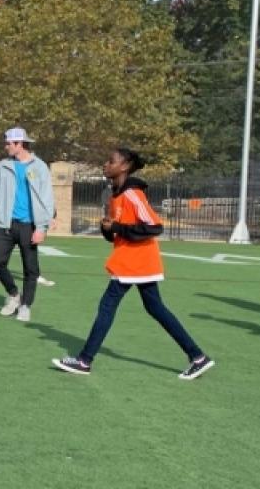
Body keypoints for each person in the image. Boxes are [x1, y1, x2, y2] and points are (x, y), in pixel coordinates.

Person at [52, 148, 214, 380]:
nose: (105, 165)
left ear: (124, 167)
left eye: (111, 161)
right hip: (132, 261)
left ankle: (84, 360)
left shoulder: (132, 194)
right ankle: (198, 357)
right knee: (155, 308)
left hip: (135, 262)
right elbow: (117, 234)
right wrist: (107, 228)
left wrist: (116, 228)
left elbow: (154, 227)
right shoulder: (115, 195)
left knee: (107, 306)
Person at [0, 127, 55, 323]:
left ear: (20, 144)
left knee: (30, 269)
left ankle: (26, 305)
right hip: (6, 223)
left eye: (9, 143)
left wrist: (41, 227)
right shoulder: (3, 166)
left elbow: (47, 199)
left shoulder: (40, 167)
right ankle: (13, 294)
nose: (6, 147)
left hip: (30, 225)